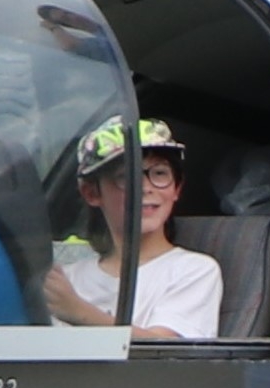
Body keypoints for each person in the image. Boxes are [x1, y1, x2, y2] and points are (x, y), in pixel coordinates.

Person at [44, 120, 224, 339]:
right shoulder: (68, 279)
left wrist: (78, 312)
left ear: (177, 188)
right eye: (126, 176)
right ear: (91, 193)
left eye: (159, 173)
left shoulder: (193, 271)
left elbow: (170, 350)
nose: (145, 187)